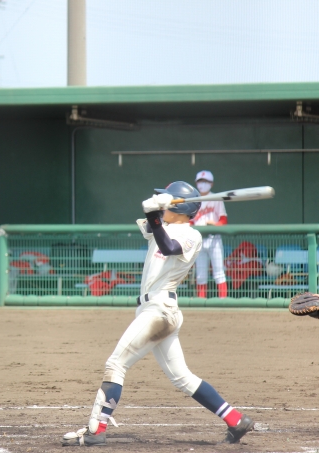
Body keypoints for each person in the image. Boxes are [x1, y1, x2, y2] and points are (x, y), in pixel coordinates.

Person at [61, 181, 254, 447]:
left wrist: (155, 213)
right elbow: (153, 229)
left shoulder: (191, 235)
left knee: (115, 365)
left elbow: (169, 247)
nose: (163, 205)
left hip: (160, 310)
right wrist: (156, 209)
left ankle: (96, 430)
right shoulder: (162, 226)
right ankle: (235, 420)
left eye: (169, 201)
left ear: (180, 207)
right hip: (154, 310)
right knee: (182, 377)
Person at [191, 170, 228, 298]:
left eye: (205, 181)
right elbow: (190, 221)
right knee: (201, 275)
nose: (202, 184)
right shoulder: (193, 200)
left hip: (214, 238)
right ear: (196, 183)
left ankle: (223, 301)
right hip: (199, 239)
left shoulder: (216, 198)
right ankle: (201, 302)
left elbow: (223, 220)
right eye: (200, 181)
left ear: (211, 184)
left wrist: (215, 224)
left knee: (219, 273)